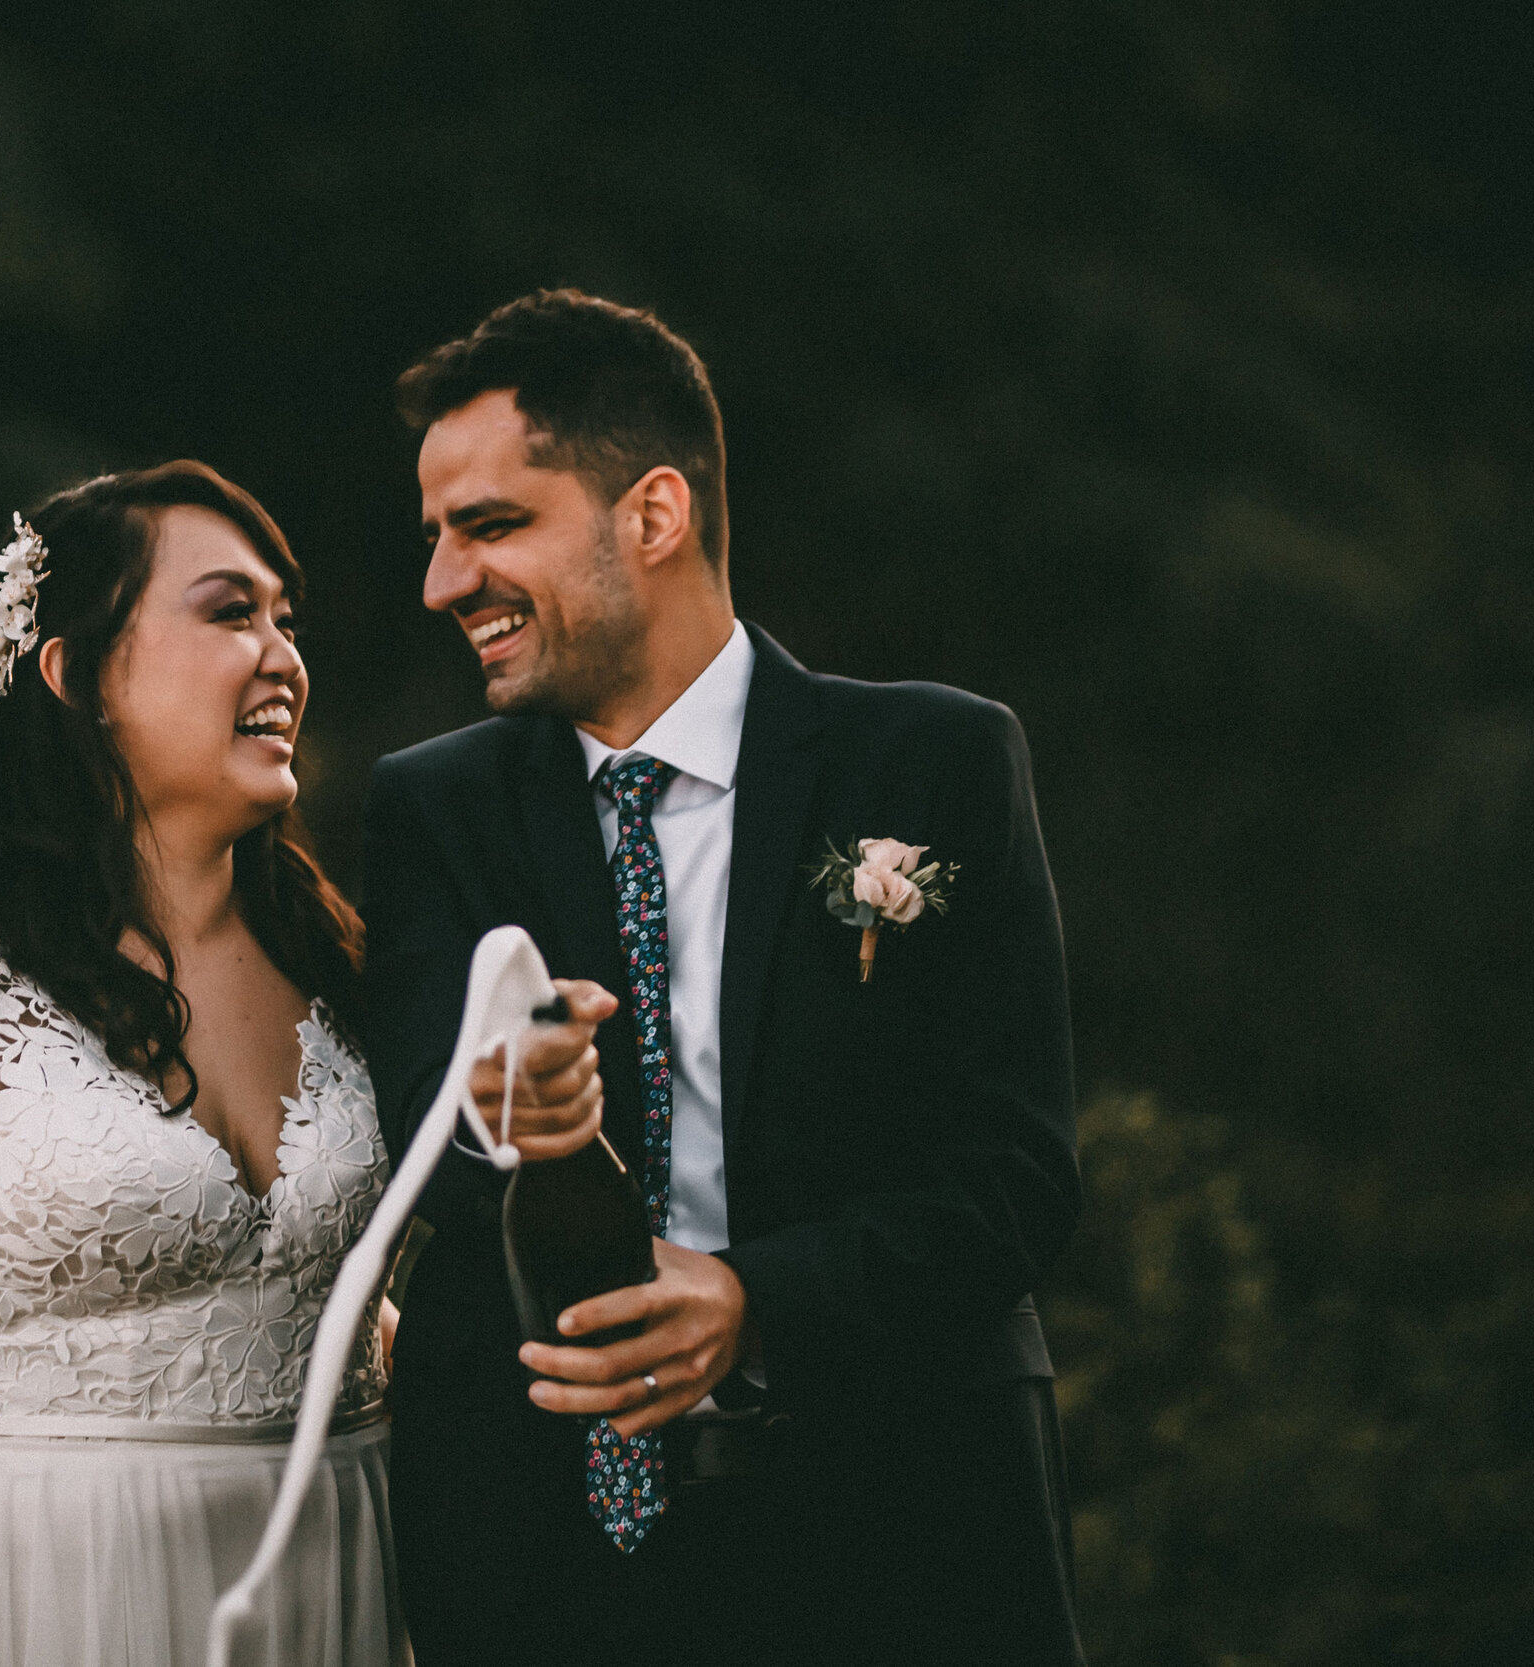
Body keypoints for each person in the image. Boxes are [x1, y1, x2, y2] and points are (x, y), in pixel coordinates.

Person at [363, 291, 1085, 1665]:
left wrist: (756, 1299)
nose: (443, 582)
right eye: (437, 536)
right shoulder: (434, 810)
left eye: (492, 524)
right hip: (551, 1569)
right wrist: (498, 1110)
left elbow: (1016, 1176)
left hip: (903, 1538)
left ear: (653, 513)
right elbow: (411, 1133)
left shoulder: (931, 765)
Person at [0, 462, 409, 1666]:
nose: (282, 656)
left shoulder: (340, 963)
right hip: (31, 1594)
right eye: (229, 611)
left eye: (286, 618)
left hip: (328, 1591)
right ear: (76, 674)